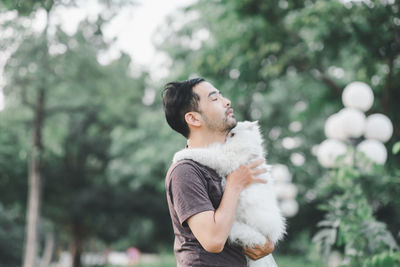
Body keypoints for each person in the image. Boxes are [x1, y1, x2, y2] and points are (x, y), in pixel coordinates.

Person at [162, 78, 275, 266]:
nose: (227, 101)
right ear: (193, 118)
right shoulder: (185, 170)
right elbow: (213, 240)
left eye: (221, 95)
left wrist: (265, 244)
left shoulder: (232, 162)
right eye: (214, 99)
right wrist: (235, 184)